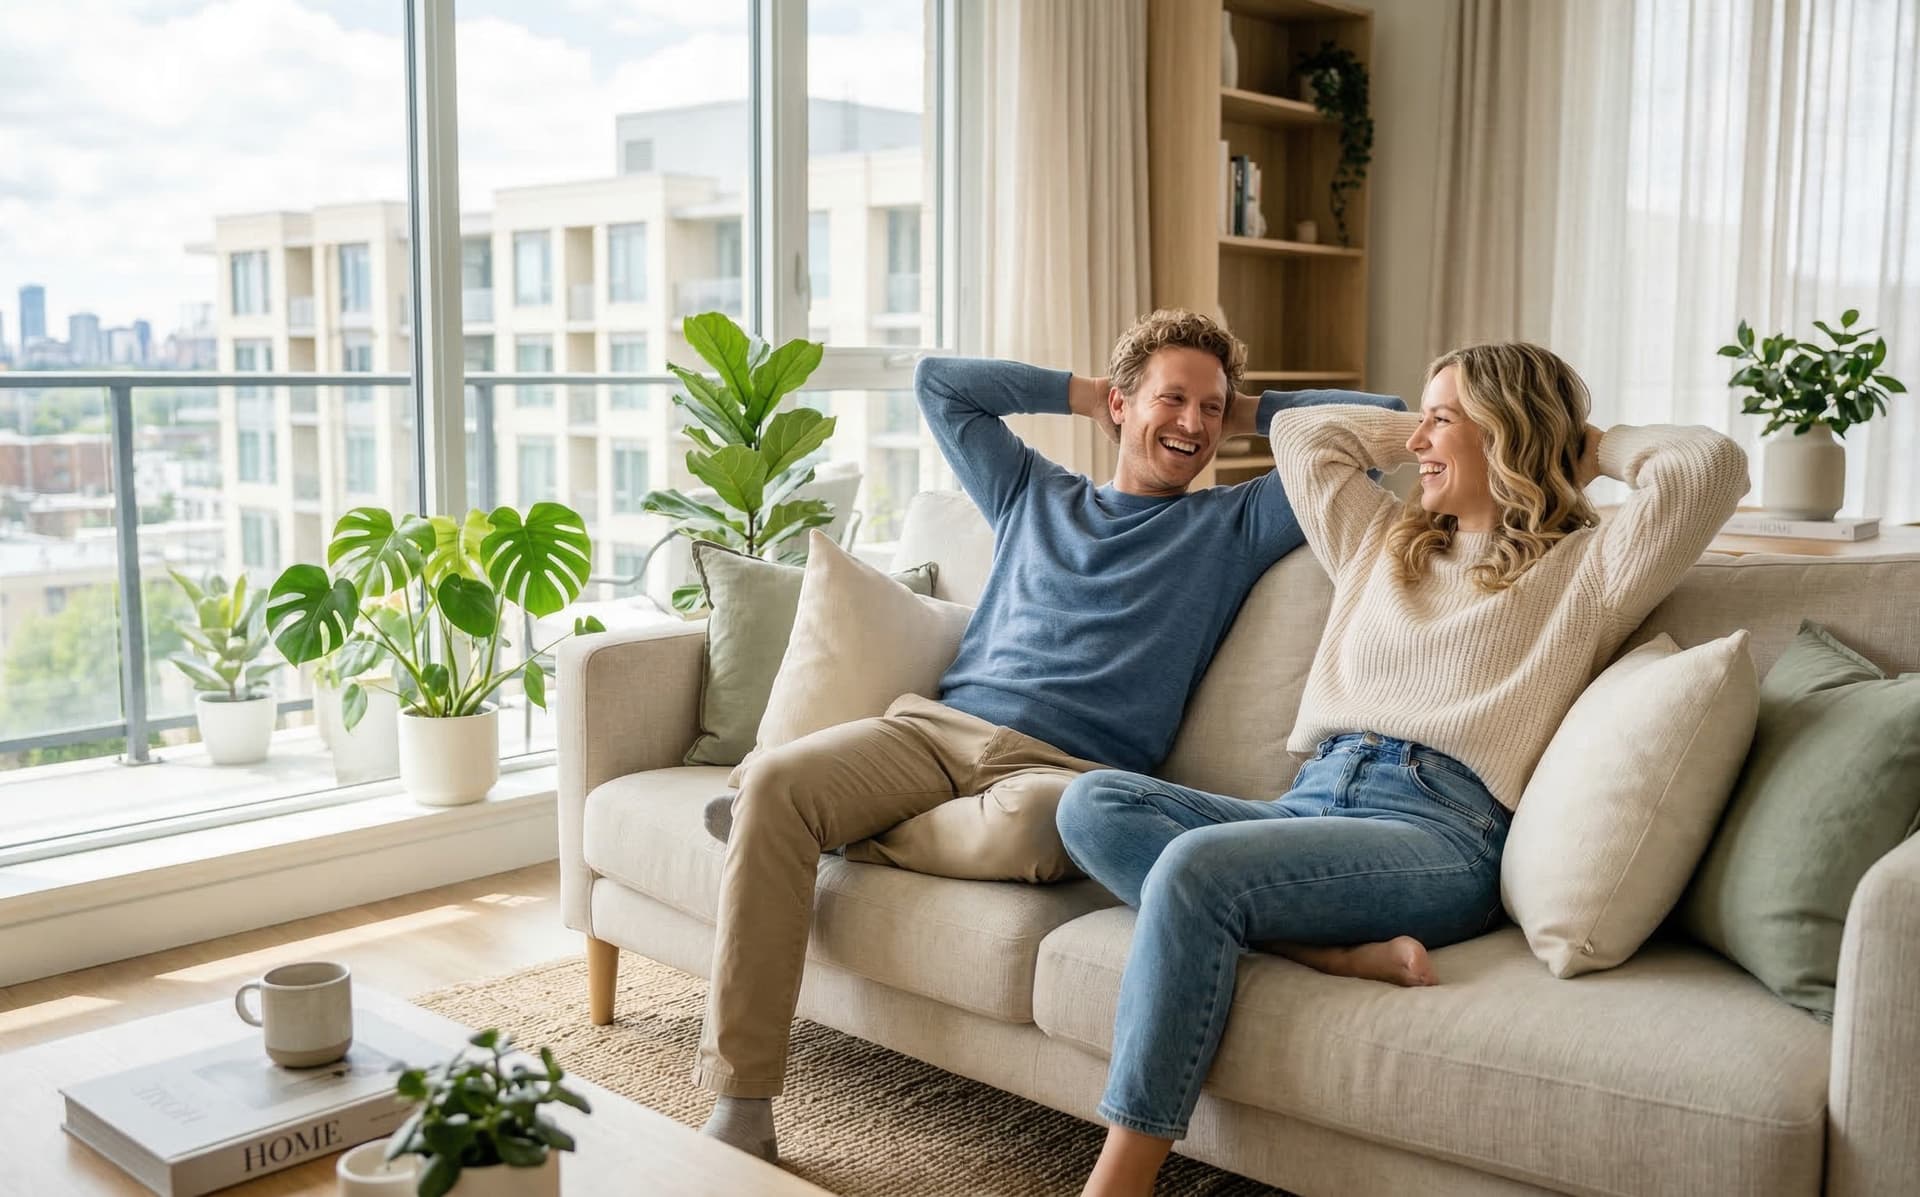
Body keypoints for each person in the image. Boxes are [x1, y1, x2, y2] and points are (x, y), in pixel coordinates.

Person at [694, 310, 1403, 1161]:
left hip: (1062, 777)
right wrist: (1084, 392)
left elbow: (1379, 422)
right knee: (777, 782)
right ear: (1120, 404)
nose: (1192, 423)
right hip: (936, 733)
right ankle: (741, 1100)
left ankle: (795, 838)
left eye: (1211, 410)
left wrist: (1242, 408)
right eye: (1171, 399)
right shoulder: (1033, 490)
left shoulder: (1233, 524)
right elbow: (940, 385)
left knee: (1035, 825)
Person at [1056, 341, 1751, 1197]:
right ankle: (1327, 950)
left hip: (1439, 830)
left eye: (1443, 421)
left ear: (1506, 434)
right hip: (1312, 802)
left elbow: (1710, 469)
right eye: (1419, 423)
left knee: (1195, 871)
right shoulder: (1381, 539)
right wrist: (1426, 421)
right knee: (1089, 801)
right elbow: (1307, 437)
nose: (1419, 441)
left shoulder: (1589, 566)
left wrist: (1584, 441)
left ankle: (1115, 1186)